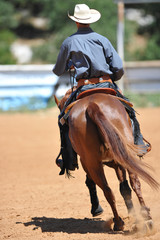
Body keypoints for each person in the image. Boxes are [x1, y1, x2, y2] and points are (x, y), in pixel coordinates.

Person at [53, 4, 149, 175]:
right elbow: (118, 66)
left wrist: (69, 64)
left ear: (76, 21)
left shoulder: (69, 42)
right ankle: (139, 142)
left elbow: (58, 70)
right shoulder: (102, 39)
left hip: (83, 87)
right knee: (129, 110)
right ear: (90, 21)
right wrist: (113, 78)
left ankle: (68, 159)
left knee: (63, 118)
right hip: (106, 84)